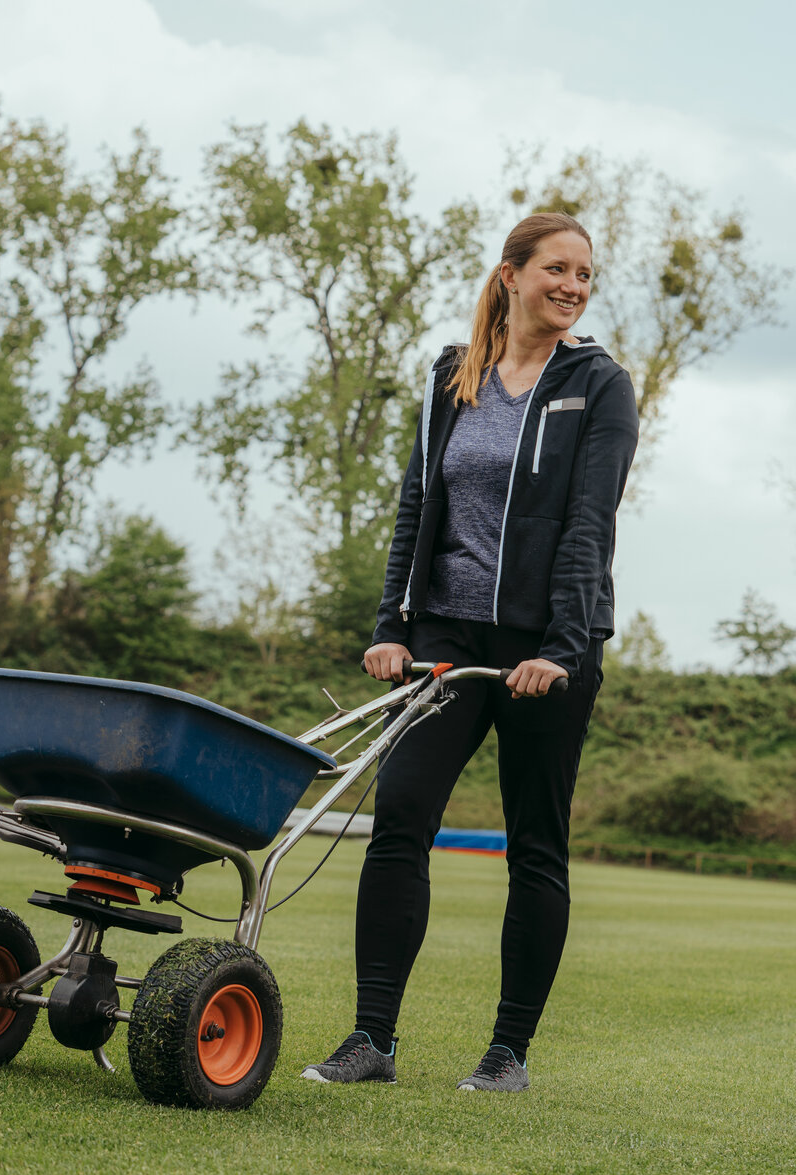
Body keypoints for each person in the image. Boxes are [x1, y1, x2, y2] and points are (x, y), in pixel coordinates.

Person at [300, 212, 638, 1093]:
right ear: (511, 275)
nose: (573, 286)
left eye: (585, 275)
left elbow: (589, 523)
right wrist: (392, 627)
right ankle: (372, 1039)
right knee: (399, 821)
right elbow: (417, 505)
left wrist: (563, 646)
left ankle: (508, 1053)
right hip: (444, 637)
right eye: (557, 269)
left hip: (546, 648)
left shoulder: (599, 385)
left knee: (536, 845)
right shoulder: (453, 375)